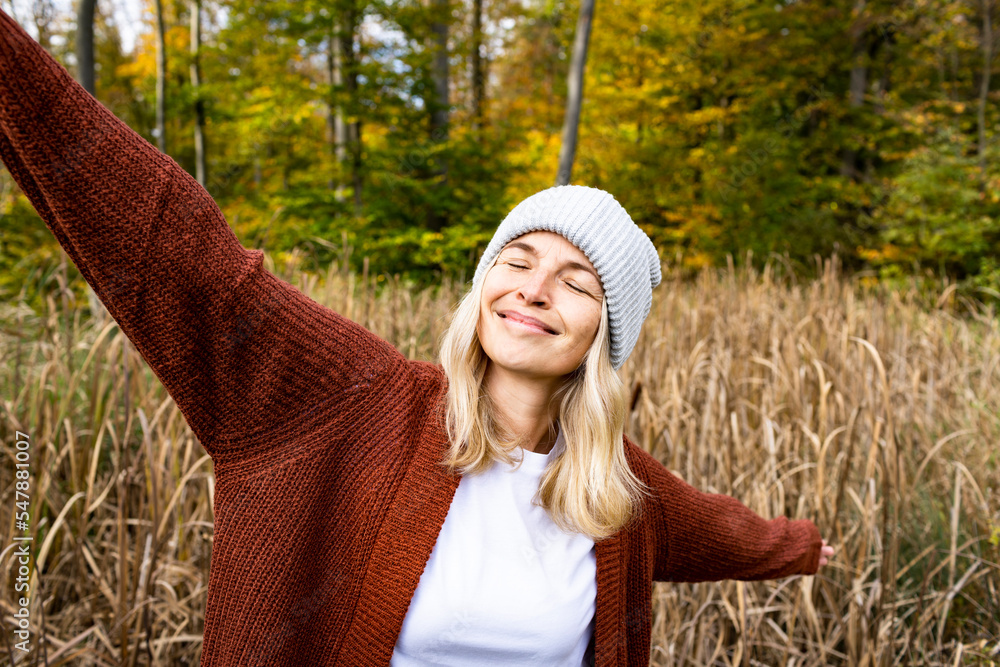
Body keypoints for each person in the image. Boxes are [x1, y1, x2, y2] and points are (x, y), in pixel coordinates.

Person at [0, 9, 833, 667]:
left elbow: (714, 528)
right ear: (482, 285)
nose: (536, 290)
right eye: (518, 259)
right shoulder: (351, 399)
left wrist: (805, 546)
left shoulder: (612, 488)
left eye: (578, 284)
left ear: (603, 341)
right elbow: (183, 256)